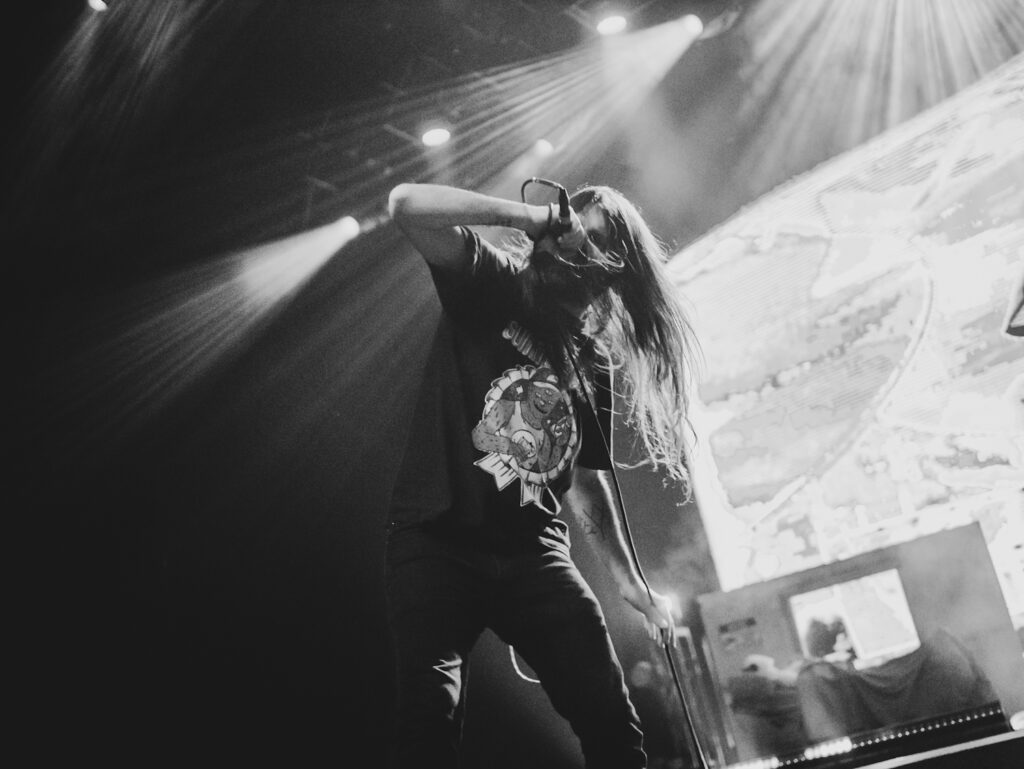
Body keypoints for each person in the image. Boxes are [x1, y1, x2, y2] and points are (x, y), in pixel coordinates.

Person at [384, 181, 699, 768]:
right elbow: (406, 205)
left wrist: (630, 582)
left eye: (590, 239)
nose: (569, 243)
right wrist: (531, 216)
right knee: (428, 723)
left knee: (613, 727)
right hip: (437, 540)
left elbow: (587, 480)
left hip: (533, 555)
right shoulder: (492, 283)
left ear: (613, 269)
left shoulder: (591, 359)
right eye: (567, 227)